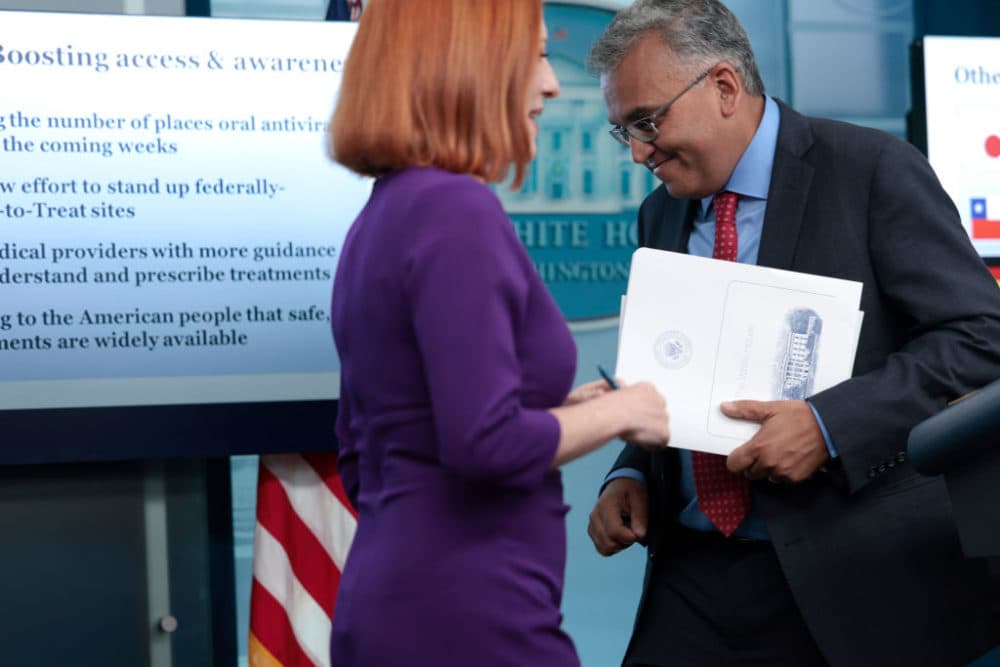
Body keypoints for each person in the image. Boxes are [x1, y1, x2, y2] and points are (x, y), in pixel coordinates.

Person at [584, 1, 1000, 666]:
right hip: (692, 577)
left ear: (723, 87)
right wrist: (631, 470)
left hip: (856, 582)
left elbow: (980, 335)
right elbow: (667, 372)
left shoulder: (870, 170)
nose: (637, 151)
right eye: (623, 131)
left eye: (648, 121)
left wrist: (828, 425)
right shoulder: (658, 215)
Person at [325, 1, 671, 665]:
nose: (549, 82)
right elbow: (483, 444)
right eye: (537, 54)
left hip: (393, 596)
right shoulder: (456, 210)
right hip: (470, 611)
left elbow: (367, 452)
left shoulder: (385, 213)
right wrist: (630, 409)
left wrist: (564, 411)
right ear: (472, 64)